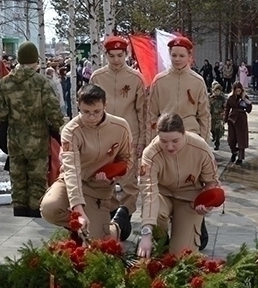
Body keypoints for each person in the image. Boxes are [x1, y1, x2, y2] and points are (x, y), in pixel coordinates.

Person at [40, 85, 133, 241]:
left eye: (97, 112)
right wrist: (78, 212)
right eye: (86, 112)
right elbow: (71, 170)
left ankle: (117, 225)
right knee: (50, 208)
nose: (91, 118)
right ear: (78, 106)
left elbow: (127, 159)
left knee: (99, 244)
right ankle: (81, 227)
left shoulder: (120, 127)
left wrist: (112, 174)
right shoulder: (71, 130)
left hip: (99, 187)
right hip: (72, 181)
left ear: (105, 105)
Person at [0, 41, 65, 217]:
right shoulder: (42, 82)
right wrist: (57, 132)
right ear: (34, 61)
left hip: (14, 140)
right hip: (38, 140)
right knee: (37, 181)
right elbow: (54, 112)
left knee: (18, 180)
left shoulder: (5, 83)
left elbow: (0, 112)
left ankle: (19, 214)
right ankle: (35, 215)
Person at [137, 113, 221, 258]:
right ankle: (160, 241)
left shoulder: (200, 148)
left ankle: (192, 227)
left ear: (184, 133)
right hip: (162, 195)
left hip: (190, 198)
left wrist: (207, 203)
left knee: (181, 256)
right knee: (155, 216)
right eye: (164, 141)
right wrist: (146, 233)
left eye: (175, 140)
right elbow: (149, 192)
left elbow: (211, 182)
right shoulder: (150, 153)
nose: (169, 147)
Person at [89, 36, 147, 231]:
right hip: (103, 137)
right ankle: (113, 211)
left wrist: (142, 141)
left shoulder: (136, 78)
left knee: (129, 181)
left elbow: (142, 111)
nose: (116, 60)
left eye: (120, 55)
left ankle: (126, 215)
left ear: (126, 54)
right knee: (106, 179)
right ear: (106, 55)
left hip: (129, 137)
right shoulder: (97, 78)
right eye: (112, 56)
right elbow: (90, 109)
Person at [148, 36, 210, 143]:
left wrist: (204, 143)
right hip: (165, 137)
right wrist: (150, 141)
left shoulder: (198, 81)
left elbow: (204, 115)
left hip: (191, 136)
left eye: (182, 56)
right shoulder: (159, 80)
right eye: (174, 55)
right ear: (169, 54)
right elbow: (151, 114)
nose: (177, 59)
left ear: (189, 56)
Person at [225, 81, 252, 165]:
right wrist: (225, 119)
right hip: (232, 119)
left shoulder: (245, 97)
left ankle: (240, 158)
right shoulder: (230, 98)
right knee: (231, 139)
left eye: (239, 91)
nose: (238, 92)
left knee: (241, 139)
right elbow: (227, 109)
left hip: (241, 119)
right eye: (236, 91)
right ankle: (234, 152)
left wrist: (245, 100)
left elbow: (249, 110)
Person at [209, 81, 226, 150]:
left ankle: (217, 143)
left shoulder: (222, 99)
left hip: (219, 116)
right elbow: (208, 107)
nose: (217, 93)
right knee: (212, 129)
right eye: (216, 91)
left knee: (218, 130)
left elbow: (225, 107)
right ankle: (214, 136)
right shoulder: (211, 98)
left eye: (218, 91)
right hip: (212, 116)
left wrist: (224, 113)